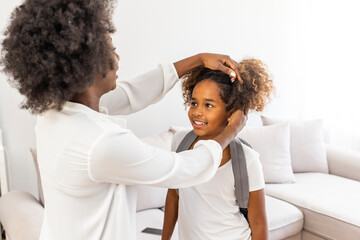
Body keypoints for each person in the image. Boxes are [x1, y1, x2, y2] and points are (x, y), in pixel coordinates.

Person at [0, 0, 248, 239]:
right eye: (111, 50)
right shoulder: (100, 143)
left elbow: (131, 94)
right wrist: (231, 129)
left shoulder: (53, 113)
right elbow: (182, 169)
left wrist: (197, 59)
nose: (118, 58)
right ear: (89, 64)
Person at [162, 58, 275, 240]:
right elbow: (174, 197)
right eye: (193, 103)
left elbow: (259, 223)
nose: (197, 112)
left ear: (231, 111)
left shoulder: (247, 159)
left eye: (208, 105)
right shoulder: (180, 142)